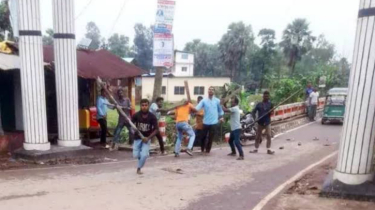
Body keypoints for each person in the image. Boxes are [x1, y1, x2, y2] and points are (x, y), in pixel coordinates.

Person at [132, 99, 159, 175]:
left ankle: (139, 168)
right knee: (135, 155)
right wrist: (133, 130)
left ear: (148, 106)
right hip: (137, 138)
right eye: (142, 105)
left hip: (147, 139)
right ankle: (142, 156)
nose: (144, 107)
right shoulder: (136, 115)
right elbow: (131, 125)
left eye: (146, 105)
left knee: (143, 155)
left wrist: (148, 138)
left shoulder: (152, 117)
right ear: (140, 106)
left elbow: (156, 129)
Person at [194, 87, 224, 154]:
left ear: (214, 92)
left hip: (214, 122)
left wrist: (221, 117)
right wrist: (191, 109)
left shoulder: (217, 101)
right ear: (208, 91)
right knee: (203, 137)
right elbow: (197, 108)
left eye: (212, 90)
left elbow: (220, 111)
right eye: (209, 89)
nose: (210, 91)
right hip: (205, 122)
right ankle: (202, 149)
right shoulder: (204, 101)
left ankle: (208, 150)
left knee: (211, 137)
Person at [250, 91, 275, 155]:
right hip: (260, 122)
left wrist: (271, 111)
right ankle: (256, 148)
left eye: (267, 96)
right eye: (265, 96)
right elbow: (253, 111)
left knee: (269, 135)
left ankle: (268, 149)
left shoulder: (270, 104)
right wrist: (254, 118)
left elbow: (273, 112)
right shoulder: (259, 104)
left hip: (267, 122)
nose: (266, 97)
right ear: (263, 96)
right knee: (258, 136)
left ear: (269, 97)